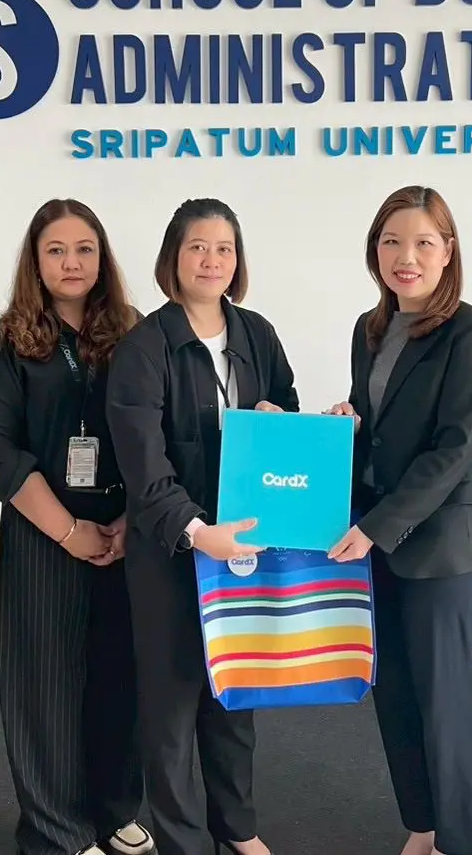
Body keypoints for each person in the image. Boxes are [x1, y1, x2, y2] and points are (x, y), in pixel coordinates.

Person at [106, 197, 298, 855]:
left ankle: (237, 829)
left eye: (224, 249)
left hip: (242, 550)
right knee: (171, 706)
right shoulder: (144, 347)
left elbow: (287, 410)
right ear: (173, 257)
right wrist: (195, 531)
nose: (212, 260)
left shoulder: (257, 334)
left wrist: (278, 419)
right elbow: (144, 467)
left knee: (234, 695)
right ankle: (183, 842)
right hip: (170, 551)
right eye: (197, 247)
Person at [0, 198, 155, 855]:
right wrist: (69, 531)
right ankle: (57, 833)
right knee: (45, 688)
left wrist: (132, 519)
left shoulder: (134, 331)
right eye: (55, 250)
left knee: (118, 679)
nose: (71, 262)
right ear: (35, 261)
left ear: (102, 257)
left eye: (84, 249)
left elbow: (155, 432)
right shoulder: (8, 339)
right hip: (43, 531)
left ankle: (112, 811)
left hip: (125, 532)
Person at [324, 186, 472, 855]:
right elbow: (379, 435)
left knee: (445, 707)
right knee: (394, 695)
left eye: (424, 242)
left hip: (441, 553)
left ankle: (465, 842)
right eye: (392, 241)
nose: (407, 256)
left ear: (448, 251)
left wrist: (377, 526)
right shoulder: (370, 328)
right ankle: (423, 829)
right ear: (374, 250)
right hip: (377, 543)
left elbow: (455, 450)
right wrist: (347, 427)